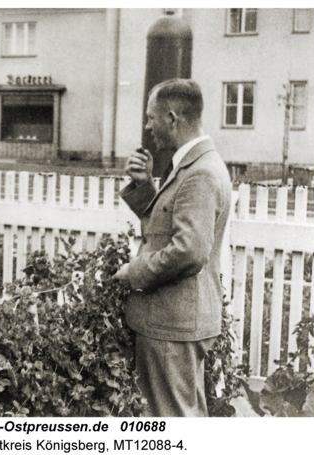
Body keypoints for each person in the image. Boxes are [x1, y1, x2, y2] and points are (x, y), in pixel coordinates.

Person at [113, 79, 232, 417]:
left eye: (151, 118)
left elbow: (190, 251)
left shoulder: (200, 173)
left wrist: (133, 273)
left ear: (171, 118)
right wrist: (144, 185)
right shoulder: (193, 166)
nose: (148, 127)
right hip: (174, 321)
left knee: (174, 422)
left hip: (172, 324)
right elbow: (165, 227)